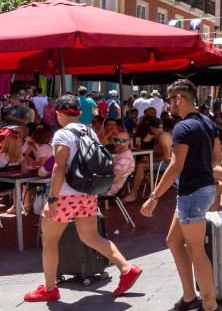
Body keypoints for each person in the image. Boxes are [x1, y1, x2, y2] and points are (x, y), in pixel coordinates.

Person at [24, 95, 142, 302]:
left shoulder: (62, 134)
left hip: (65, 195)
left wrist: (52, 199)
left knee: (49, 241)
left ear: (59, 114)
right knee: (91, 237)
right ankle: (127, 268)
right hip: (87, 193)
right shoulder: (90, 131)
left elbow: (59, 167)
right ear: (78, 113)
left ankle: (50, 289)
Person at [140, 79, 221, 311]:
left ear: (178, 99)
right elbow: (217, 155)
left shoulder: (183, 128)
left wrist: (153, 196)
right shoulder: (207, 121)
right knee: (174, 241)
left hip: (192, 193)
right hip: (202, 189)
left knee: (196, 250)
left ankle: (210, 305)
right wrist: (203, 169)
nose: (168, 106)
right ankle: (189, 297)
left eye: (170, 101)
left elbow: (175, 166)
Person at [122, 117, 171, 203]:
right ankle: (155, 191)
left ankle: (133, 194)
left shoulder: (162, 137)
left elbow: (166, 157)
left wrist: (151, 159)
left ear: (151, 128)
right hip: (165, 163)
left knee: (140, 166)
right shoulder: (160, 136)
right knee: (140, 165)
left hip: (167, 164)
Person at [108, 131, 135, 196]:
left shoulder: (125, 160)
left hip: (108, 189)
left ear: (128, 142)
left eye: (122, 140)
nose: (117, 142)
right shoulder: (120, 155)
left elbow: (113, 180)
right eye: (116, 140)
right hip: (105, 187)